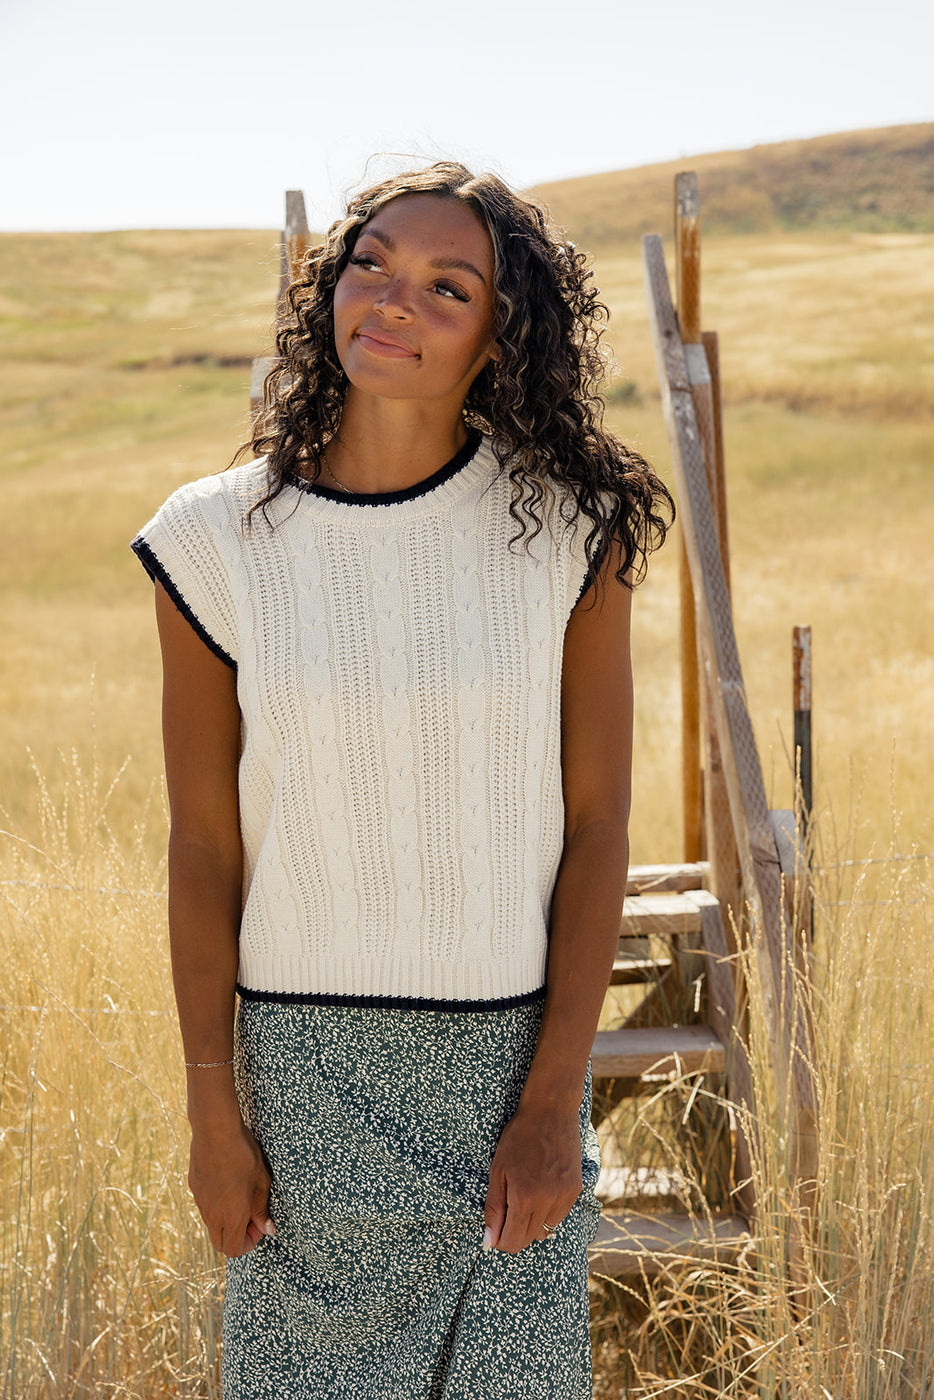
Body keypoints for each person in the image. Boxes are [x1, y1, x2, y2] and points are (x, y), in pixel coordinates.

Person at [132, 161, 673, 1399]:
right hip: (303, 1084)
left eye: (447, 285)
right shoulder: (213, 542)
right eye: (371, 262)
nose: (393, 299)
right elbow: (205, 847)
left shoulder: (567, 528)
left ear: (499, 335)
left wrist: (552, 1108)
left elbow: (597, 829)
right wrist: (213, 1117)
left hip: (508, 1082)